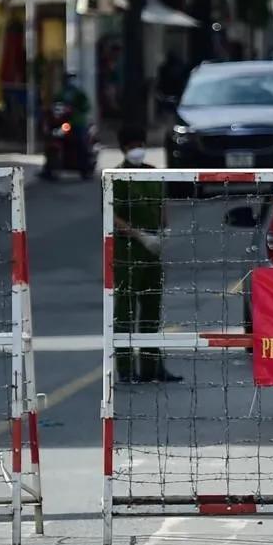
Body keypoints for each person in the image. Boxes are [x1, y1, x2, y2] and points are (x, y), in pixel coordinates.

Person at [112, 130, 179, 383]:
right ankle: (127, 369)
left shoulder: (152, 172)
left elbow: (161, 203)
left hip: (152, 250)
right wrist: (140, 236)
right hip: (128, 250)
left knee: (152, 308)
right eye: (132, 145)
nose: (137, 149)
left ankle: (153, 367)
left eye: (140, 144)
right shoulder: (117, 177)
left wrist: (165, 229)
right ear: (124, 149)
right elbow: (113, 215)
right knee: (125, 310)